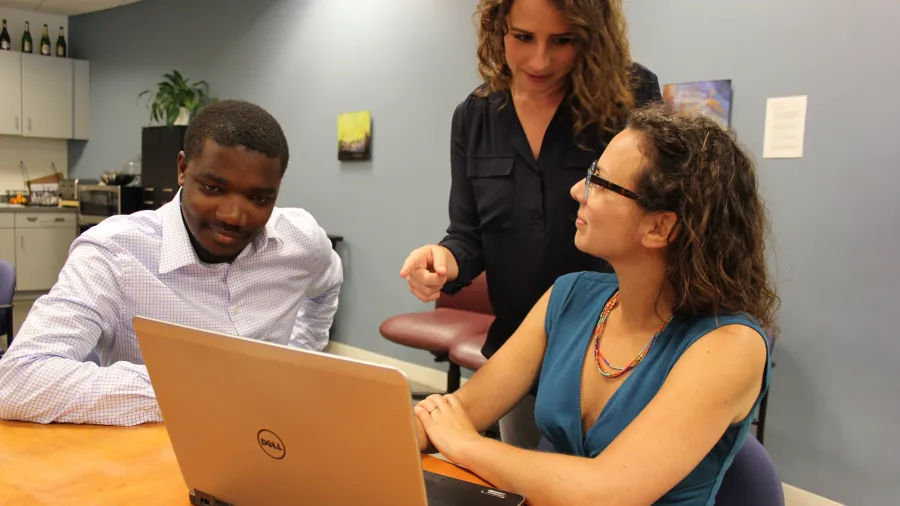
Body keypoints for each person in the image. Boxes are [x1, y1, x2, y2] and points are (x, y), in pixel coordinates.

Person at [412, 103, 778, 506]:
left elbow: (604, 492)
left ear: (659, 226)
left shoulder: (729, 346)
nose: (575, 192)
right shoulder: (569, 295)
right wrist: (386, 427)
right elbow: (460, 409)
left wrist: (465, 445)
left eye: (599, 183)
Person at [399, 0, 661, 448]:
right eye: (523, 38)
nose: (539, 61)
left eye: (562, 41)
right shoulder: (474, 116)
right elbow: (467, 234)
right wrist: (443, 259)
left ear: (591, 36)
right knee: (519, 485)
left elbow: (658, 216)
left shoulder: (629, 94)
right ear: (498, 28)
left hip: (617, 350)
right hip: (518, 350)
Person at [0, 100, 343, 426]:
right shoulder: (115, 253)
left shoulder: (301, 241)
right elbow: (18, 379)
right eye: (212, 188)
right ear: (182, 170)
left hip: (267, 442)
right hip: (149, 454)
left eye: (259, 198)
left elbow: (328, 283)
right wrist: (194, 388)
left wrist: (299, 362)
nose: (233, 216)